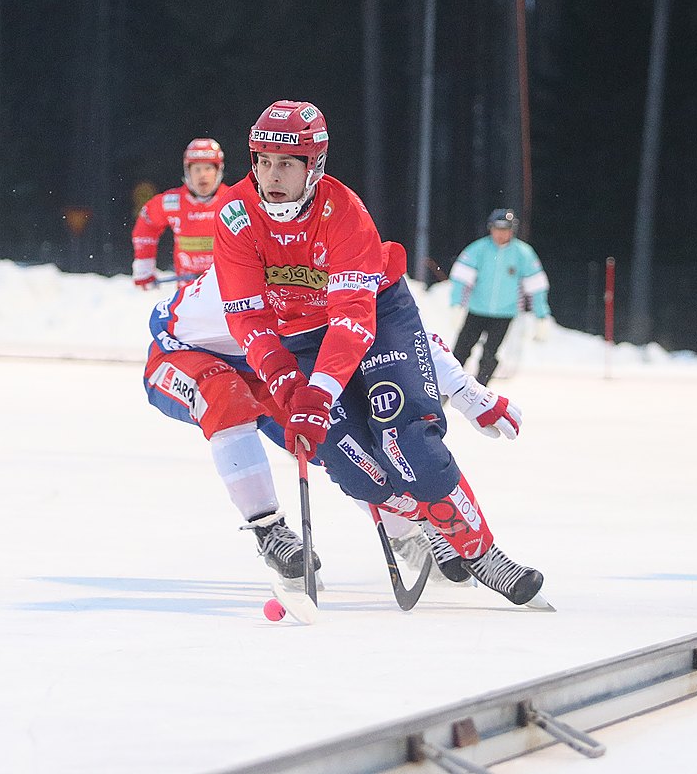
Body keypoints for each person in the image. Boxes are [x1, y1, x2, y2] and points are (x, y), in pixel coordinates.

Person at [212, 100, 547, 607]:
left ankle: (481, 553)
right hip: (300, 340)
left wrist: (319, 396)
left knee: (406, 441)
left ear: (315, 164)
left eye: (286, 162)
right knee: (352, 467)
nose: (270, 175)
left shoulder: (343, 211)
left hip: (377, 318)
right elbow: (246, 318)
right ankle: (423, 517)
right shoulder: (236, 215)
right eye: (261, 160)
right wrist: (285, 383)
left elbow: (351, 320)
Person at [142, 251, 523, 588]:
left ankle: (406, 531)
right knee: (226, 399)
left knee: (336, 446)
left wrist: (465, 391)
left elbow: (402, 336)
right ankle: (268, 529)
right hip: (184, 352)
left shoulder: (332, 263)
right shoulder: (255, 284)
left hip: (271, 361)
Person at [449, 208, 551, 384]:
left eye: (506, 230)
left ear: (512, 230)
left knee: (490, 354)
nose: (501, 234)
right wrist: (456, 304)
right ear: (491, 228)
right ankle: (447, 386)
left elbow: (536, 286)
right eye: (497, 229)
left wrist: (541, 315)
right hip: (477, 310)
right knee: (461, 350)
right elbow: (461, 279)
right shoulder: (478, 249)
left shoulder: (523, 253)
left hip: (504, 313)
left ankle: (480, 388)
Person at [131, 138, 227, 289]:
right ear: (187, 171)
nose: (202, 175)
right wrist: (144, 267)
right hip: (187, 291)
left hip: (228, 290)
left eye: (208, 168)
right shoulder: (172, 202)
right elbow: (147, 222)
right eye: (197, 169)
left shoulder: (233, 201)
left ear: (219, 170)